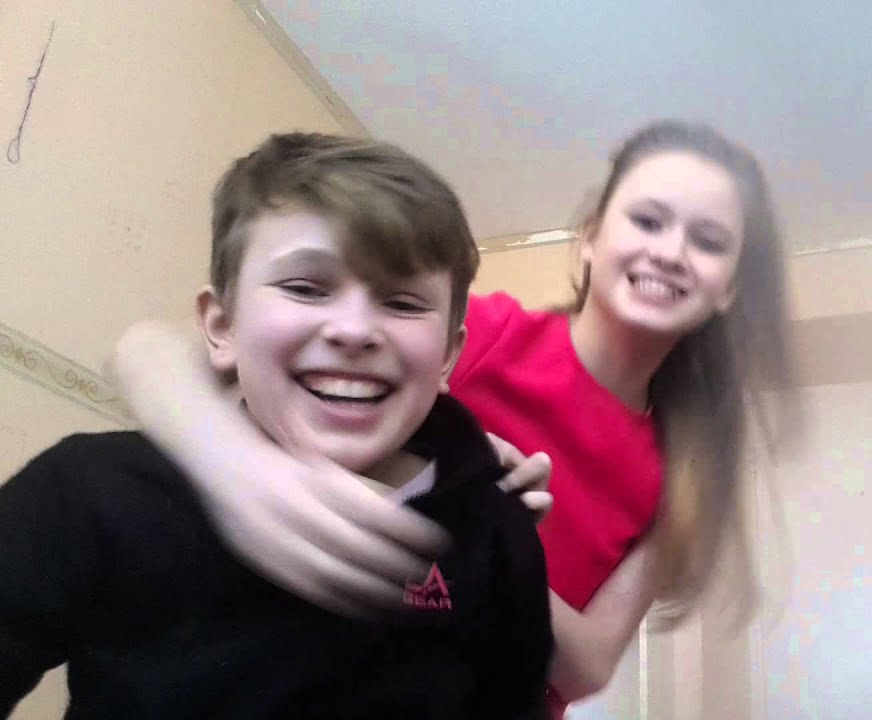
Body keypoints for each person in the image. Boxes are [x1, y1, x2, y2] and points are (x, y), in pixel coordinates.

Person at [110, 120, 798, 716]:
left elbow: (587, 666)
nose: (670, 251)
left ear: (729, 286)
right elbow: (150, 351)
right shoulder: (489, 334)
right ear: (590, 239)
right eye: (647, 221)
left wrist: (482, 541)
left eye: (708, 240)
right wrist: (238, 467)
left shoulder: (684, 469)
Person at [0, 133, 552, 719]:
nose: (354, 330)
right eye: (305, 288)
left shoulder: (496, 534)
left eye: (403, 303)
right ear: (221, 326)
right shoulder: (91, 490)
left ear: (447, 356)